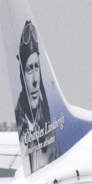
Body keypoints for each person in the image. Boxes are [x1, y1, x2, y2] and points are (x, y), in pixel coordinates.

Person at [13, 21, 60, 171]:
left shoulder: (50, 122)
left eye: (36, 67)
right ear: (22, 75)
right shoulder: (21, 130)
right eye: (29, 69)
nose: (34, 80)